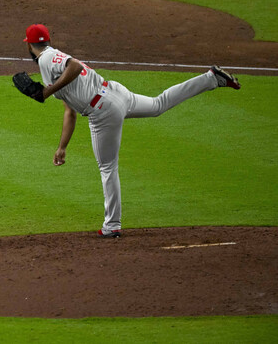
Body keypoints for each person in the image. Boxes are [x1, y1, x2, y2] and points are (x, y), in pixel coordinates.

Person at [18, 23, 241, 238]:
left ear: (29, 45)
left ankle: (112, 225)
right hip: (115, 93)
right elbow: (70, 111)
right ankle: (211, 79)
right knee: (158, 105)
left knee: (107, 167)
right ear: (48, 39)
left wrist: (47, 92)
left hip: (102, 110)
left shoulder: (47, 57)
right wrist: (62, 147)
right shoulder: (50, 61)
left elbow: (74, 66)